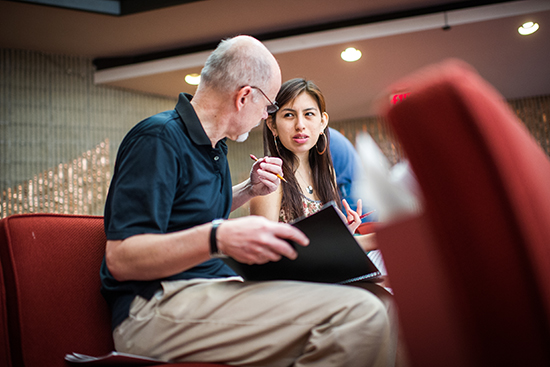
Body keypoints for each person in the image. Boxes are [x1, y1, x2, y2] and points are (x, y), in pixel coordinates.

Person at [100, 36, 396, 367]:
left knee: (385, 305)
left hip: (210, 289)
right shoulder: (159, 139)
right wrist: (219, 236)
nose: (264, 118)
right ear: (244, 97)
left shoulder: (213, 148)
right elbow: (121, 258)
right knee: (361, 314)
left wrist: (248, 190)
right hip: (154, 307)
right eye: (270, 107)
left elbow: (185, 216)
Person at [249, 78, 377, 252]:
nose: (300, 125)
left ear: (323, 121)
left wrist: (344, 234)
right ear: (272, 125)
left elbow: (327, 247)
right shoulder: (270, 178)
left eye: (308, 114)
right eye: (289, 115)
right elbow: (265, 253)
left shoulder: (326, 172)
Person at [329, 127, 376, 221]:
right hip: (359, 187)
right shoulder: (330, 135)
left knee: (354, 230)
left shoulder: (320, 136)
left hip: (348, 190)